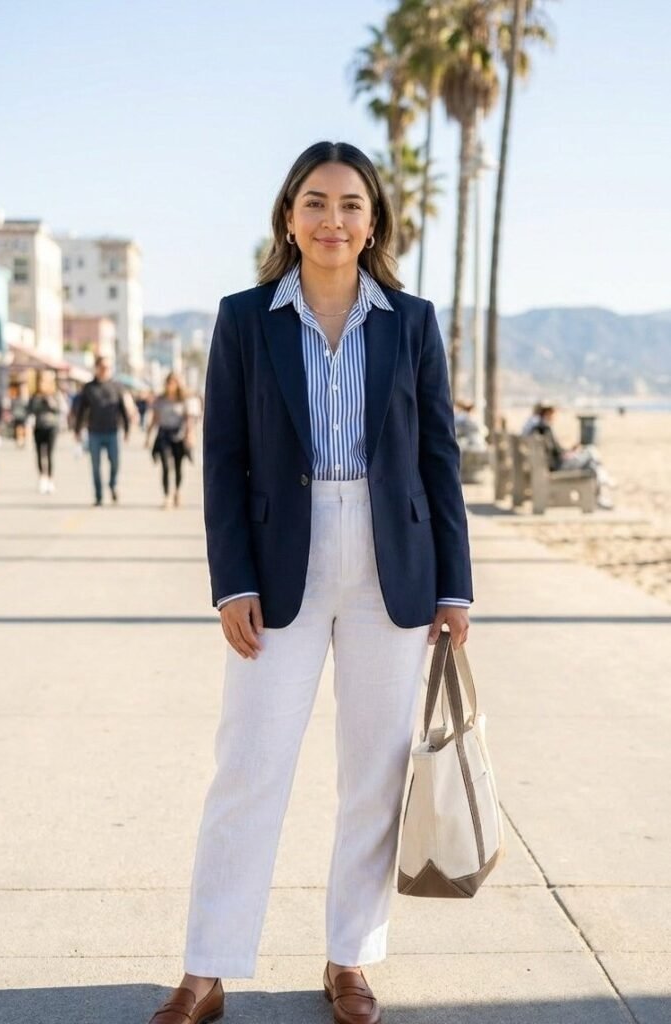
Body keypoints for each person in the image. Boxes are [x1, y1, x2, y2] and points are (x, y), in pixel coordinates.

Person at [146, 141, 473, 1024]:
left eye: (352, 205)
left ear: (375, 224)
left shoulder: (410, 321)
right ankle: (206, 968)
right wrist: (231, 582)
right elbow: (223, 461)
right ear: (289, 216)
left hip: (391, 567)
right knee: (247, 766)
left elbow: (439, 460)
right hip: (279, 562)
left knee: (373, 772)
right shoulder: (246, 318)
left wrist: (455, 588)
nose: (335, 220)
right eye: (317, 202)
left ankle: (349, 960)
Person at [529, 403, 615, 509]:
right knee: (591, 451)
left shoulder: (536, 429)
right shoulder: (545, 429)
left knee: (592, 465)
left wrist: (569, 451)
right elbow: (555, 452)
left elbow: (553, 451)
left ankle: (601, 486)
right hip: (558, 466)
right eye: (553, 414)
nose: (555, 417)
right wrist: (567, 454)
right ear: (547, 413)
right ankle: (603, 482)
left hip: (554, 464)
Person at [74, 356, 130, 506]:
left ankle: (112, 484)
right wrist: (77, 430)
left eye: (108, 367)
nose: (105, 370)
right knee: (95, 466)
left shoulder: (117, 386)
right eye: (102, 367)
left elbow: (123, 409)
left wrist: (127, 429)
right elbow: (81, 410)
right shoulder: (89, 388)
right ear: (96, 368)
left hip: (113, 431)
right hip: (94, 432)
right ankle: (98, 495)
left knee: (115, 463)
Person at [144, 372, 195, 509]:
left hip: (178, 436)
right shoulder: (160, 400)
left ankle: (177, 491)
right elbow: (154, 419)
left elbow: (188, 419)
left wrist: (190, 435)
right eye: (169, 382)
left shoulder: (183, 399)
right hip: (164, 435)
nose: (170, 385)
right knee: (166, 466)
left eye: (173, 382)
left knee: (178, 467)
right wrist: (148, 437)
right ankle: (167, 496)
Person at [27, 372, 64, 494]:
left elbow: (60, 408)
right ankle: (42, 477)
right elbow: (30, 410)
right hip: (38, 426)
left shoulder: (55, 394)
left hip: (51, 426)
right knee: (39, 453)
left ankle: (50, 479)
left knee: (49, 454)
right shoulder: (35, 395)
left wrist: (50, 401)